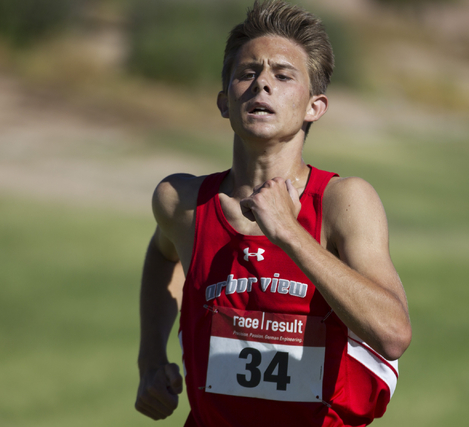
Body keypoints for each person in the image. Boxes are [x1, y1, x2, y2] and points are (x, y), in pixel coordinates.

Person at [135, 1, 412, 426]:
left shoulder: (344, 201)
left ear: (314, 106)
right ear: (224, 101)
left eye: (283, 76)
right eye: (247, 72)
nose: (262, 83)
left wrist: (290, 232)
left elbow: (392, 334)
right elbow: (162, 254)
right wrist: (151, 359)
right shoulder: (182, 202)